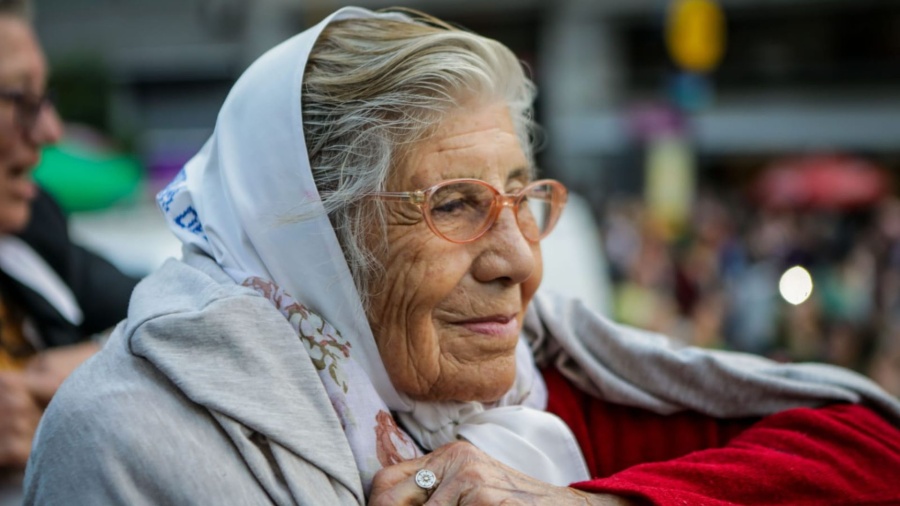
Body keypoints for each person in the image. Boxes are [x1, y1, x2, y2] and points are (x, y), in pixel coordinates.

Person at [25, 6, 900, 505]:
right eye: (454, 205)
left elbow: (871, 452)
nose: (520, 263)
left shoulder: (536, 384)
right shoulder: (129, 440)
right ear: (314, 240)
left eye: (522, 198)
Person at [0, 0, 139, 479]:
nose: (50, 131)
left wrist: (100, 359)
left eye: (45, 98)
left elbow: (171, 306)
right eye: (20, 98)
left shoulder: (31, 230)